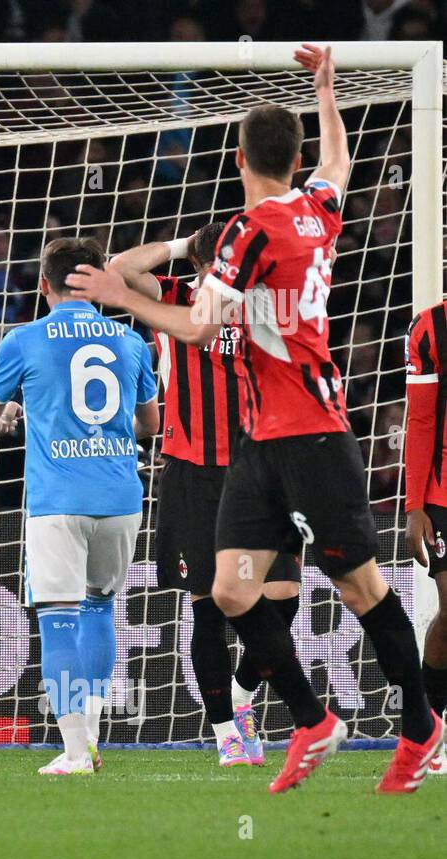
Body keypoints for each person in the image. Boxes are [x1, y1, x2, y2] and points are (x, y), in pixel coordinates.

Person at [67, 45, 441, 793]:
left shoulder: (249, 230)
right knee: (232, 592)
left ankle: (422, 726)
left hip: (311, 434)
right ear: (292, 156)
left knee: (361, 590)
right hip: (260, 442)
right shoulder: (316, 208)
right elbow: (338, 162)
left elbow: (202, 329)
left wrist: (122, 292)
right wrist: (326, 92)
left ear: (239, 158)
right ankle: (313, 720)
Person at [106, 224, 302, 767]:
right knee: (209, 611)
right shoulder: (176, 298)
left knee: (284, 596)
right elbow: (118, 266)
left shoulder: (265, 305)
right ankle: (225, 734)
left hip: (260, 471)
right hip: (192, 471)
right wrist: (180, 247)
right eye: (215, 263)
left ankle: (244, 691)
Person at [0, 237, 159, 775]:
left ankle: (76, 751)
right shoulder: (130, 343)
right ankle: (94, 737)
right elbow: (151, 425)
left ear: (43, 286)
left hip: (59, 500)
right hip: (122, 496)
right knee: (101, 606)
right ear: (101, 282)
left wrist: (12, 415)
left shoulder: (25, 340)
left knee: (58, 619)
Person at [401, 298, 447, 775]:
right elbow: (421, 419)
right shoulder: (431, 327)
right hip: (443, 491)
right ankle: (427, 729)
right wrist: (414, 506)